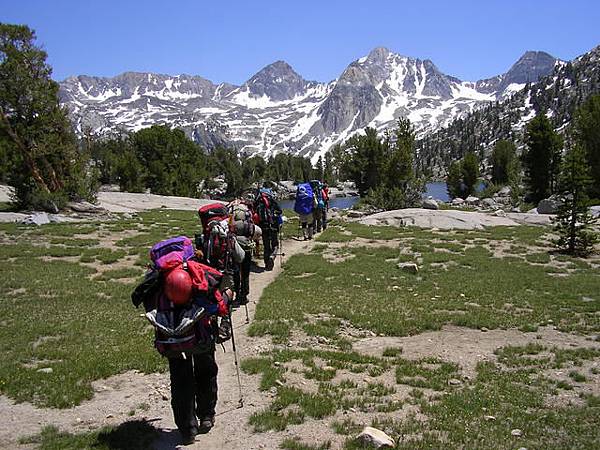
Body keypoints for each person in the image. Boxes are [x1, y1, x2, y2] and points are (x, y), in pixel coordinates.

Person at [228, 198, 261, 305]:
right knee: (245, 271)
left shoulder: (231, 212)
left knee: (236, 270)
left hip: (235, 245)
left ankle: (237, 293)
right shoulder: (248, 213)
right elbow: (252, 231)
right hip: (246, 244)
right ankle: (244, 295)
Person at [254, 185, 282, 270]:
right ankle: (272, 257)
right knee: (275, 244)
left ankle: (267, 264)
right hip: (273, 226)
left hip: (263, 227)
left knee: (266, 246)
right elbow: (279, 211)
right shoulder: (272, 201)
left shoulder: (258, 202)